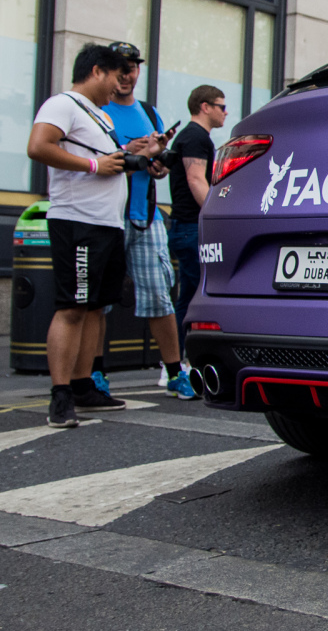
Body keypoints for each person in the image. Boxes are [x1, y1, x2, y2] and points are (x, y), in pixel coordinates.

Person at [25, 43, 157, 427]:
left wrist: (138, 159)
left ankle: (84, 385)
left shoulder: (98, 116)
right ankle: (61, 394)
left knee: (97, 306)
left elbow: (107, 163)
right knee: (72, 307)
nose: (120, 85)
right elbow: (38, 147)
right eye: (117, 76)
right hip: (77, 221)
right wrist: (93, 164)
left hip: (107, 223)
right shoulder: (61, 104)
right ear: (97, 71)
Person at [102, 43, 197, 399]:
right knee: (99, 303)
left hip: (146, 217)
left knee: (160, 295)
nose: (127, 75)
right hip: (106, 216)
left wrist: (156, 159)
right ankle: (96, 375)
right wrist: (131, 152)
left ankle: (175, 372)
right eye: (120, 68)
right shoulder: (97, 111)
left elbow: (156, 169)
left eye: (133, 67)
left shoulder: (148, 112)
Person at [169, 85, 227, 351]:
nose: (226, 113)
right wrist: (214, 218)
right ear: (205, 107)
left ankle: (179, 358)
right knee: (195, 296)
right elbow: (195, 180)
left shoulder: (194, 137)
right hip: (191, 227)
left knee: (188, 295)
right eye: (221, 107)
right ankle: (184, 359)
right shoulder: (195, 137)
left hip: (186, 226)